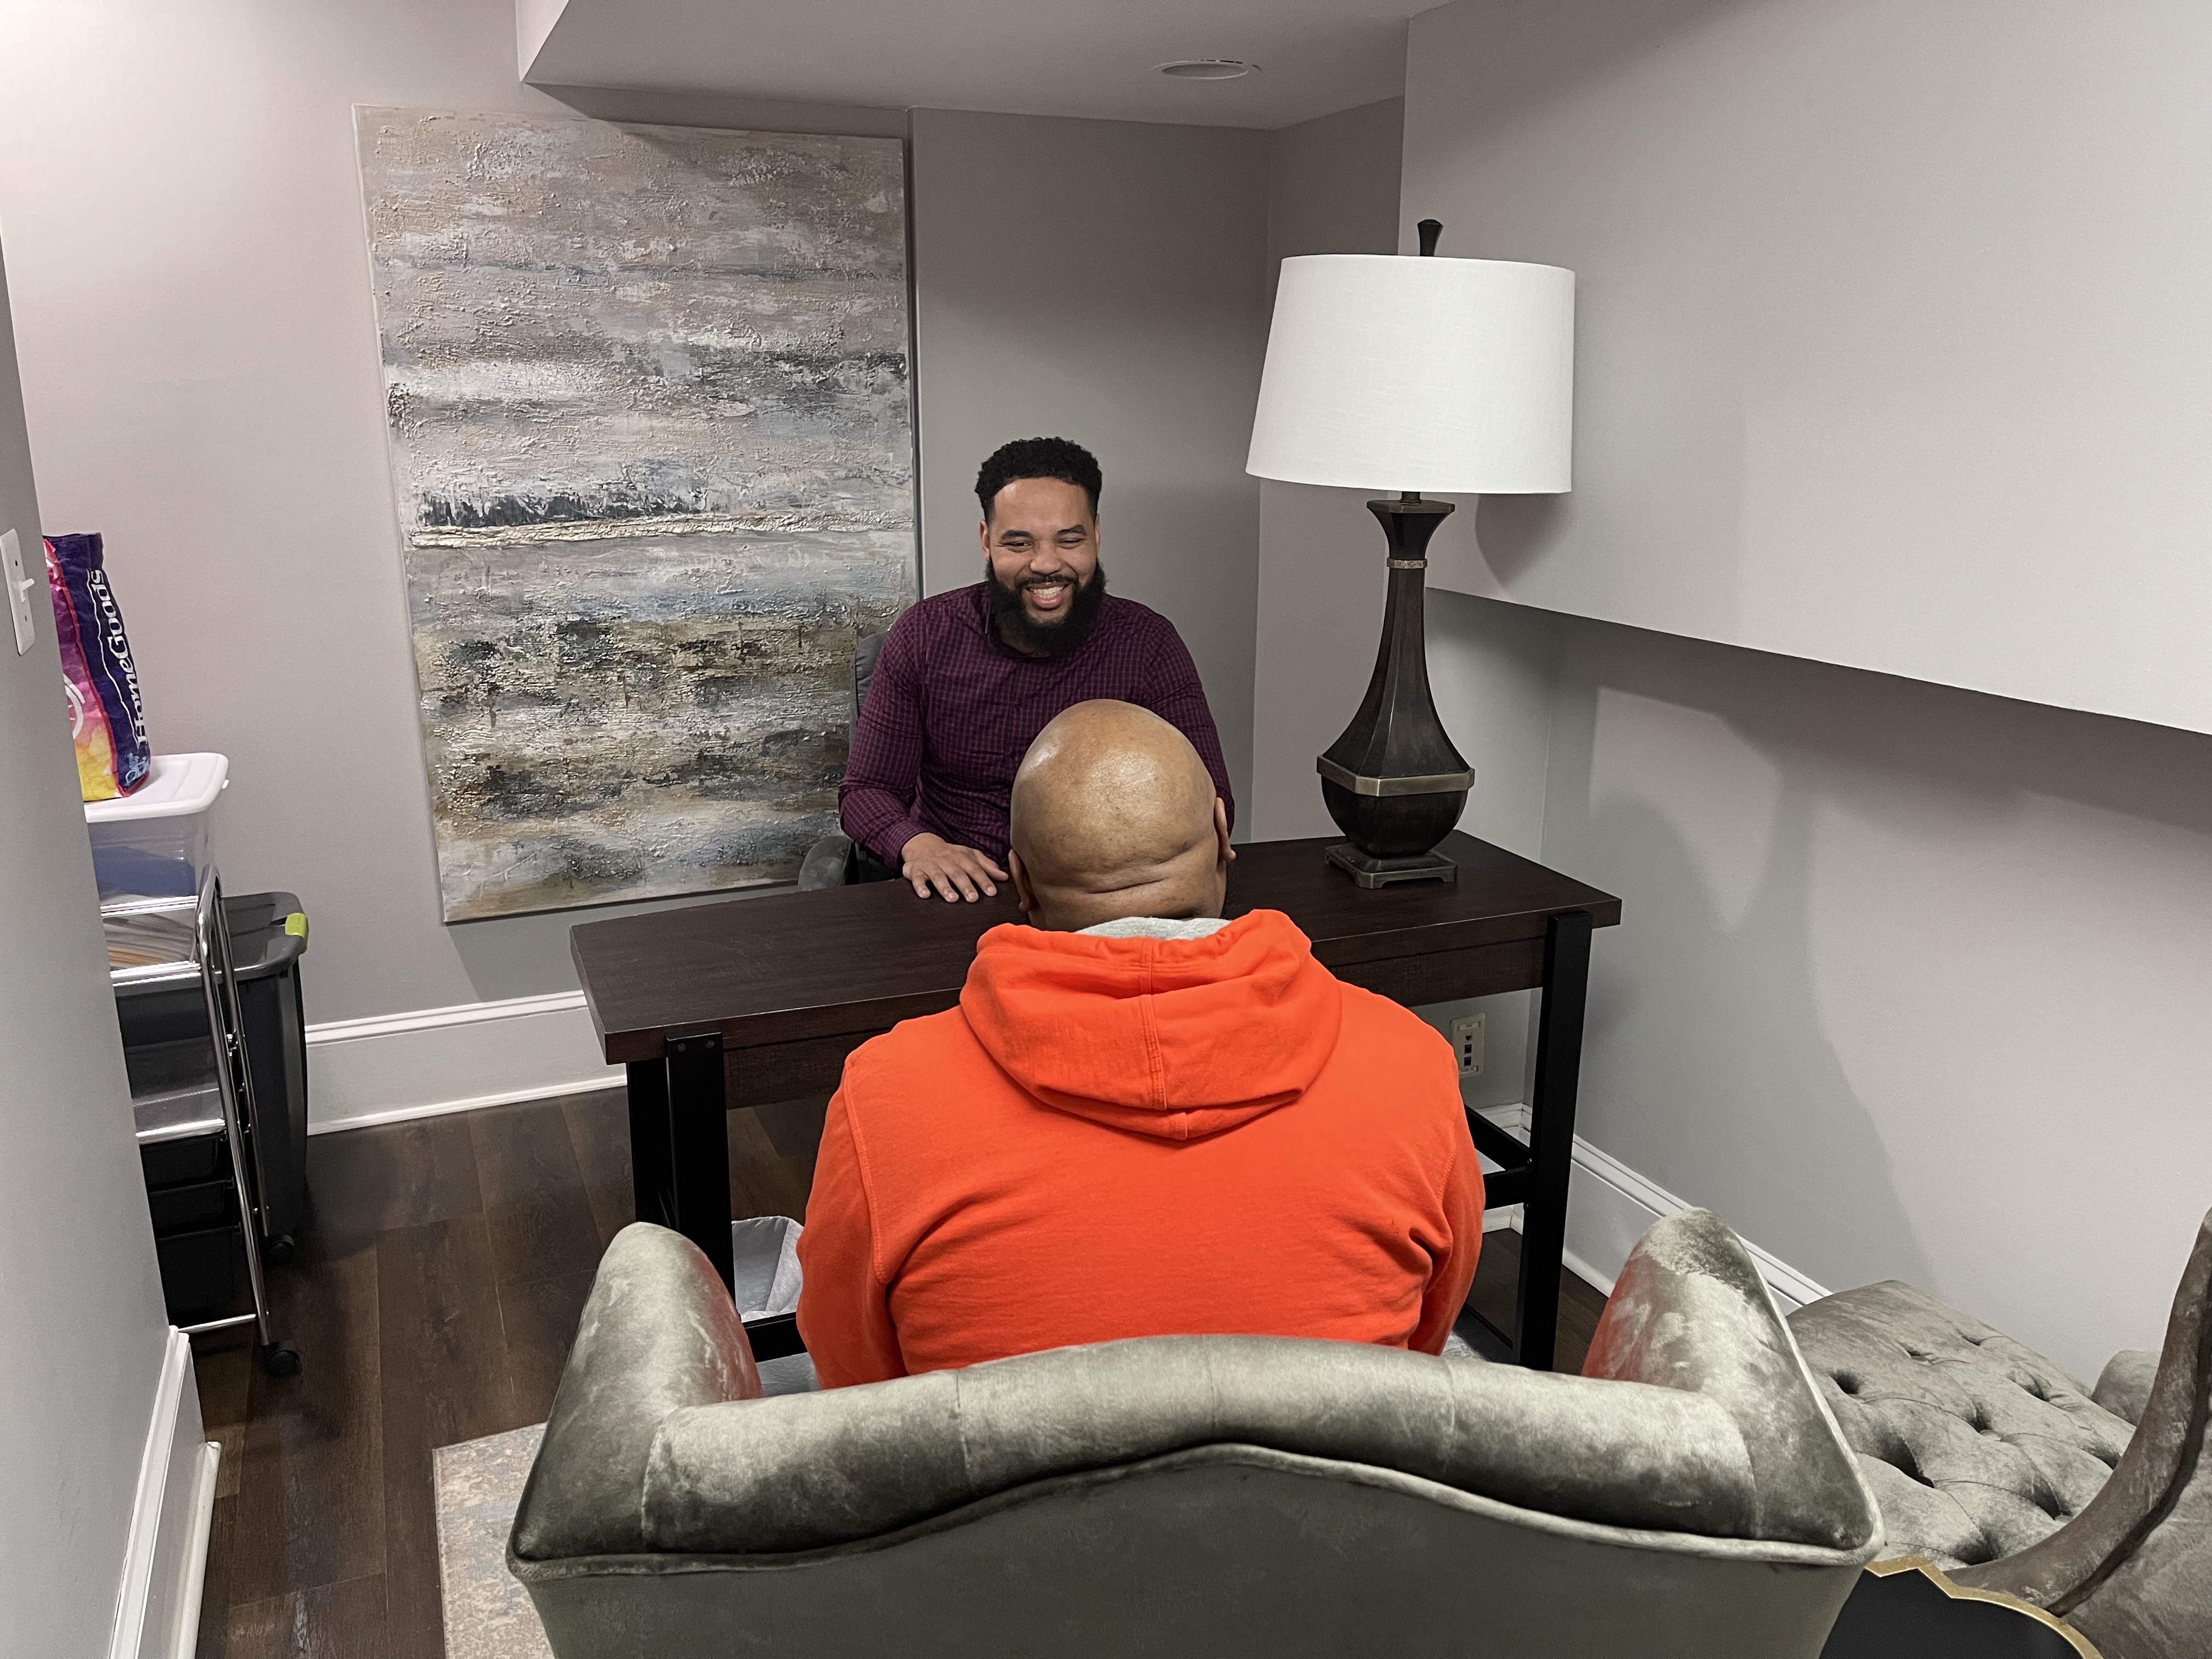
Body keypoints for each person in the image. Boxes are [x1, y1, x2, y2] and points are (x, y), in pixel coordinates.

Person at [796, 700, 1483, 1387]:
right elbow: (1423, 1344)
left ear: (1022, 880)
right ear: (1222, 833)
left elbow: (858, 1389)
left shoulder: (883, 1099)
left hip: (1008, 1498)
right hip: (1332, 1491)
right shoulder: (1413, 1065)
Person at [837, 436, 1235, 902]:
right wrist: (919, 845)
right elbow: (867, 791)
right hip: (964, 890)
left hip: (1105, 895)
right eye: (1019, 543)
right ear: (987, 540)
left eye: (1070, 540)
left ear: (1096, 534)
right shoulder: (925, 636)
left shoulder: (1149, 643)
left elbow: (1212, 799)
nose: (1047, 564)